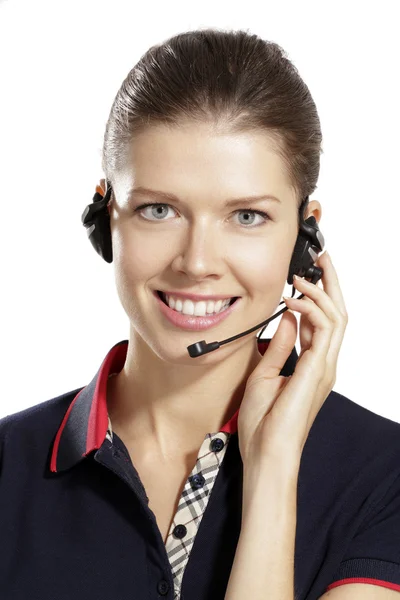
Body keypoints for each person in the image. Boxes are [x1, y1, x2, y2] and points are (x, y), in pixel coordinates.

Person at [1, 27, 400, 600]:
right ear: (104, 215)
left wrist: (274, 472)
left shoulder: (384, 478)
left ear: (304, 235)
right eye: (159, 209)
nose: (197, 262)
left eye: (247, 217)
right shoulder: (8, 463)